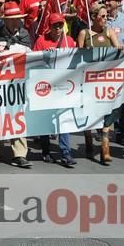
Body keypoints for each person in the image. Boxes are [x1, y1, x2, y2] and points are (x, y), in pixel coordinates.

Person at [0, 2, 32, 168]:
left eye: (17, 18)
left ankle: (19, 153)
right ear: (5, 20)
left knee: (18, 117)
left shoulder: (24, 36)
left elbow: (31, 59)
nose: (15, 21)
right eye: (12, 19)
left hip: (17, 86)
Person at [76, 3, 123, 164]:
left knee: (106, 113)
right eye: (102, 16)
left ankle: (105, 148)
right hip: (89, 81)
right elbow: (78, 56)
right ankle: (88, 141)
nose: (105, 19)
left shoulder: (109, 31)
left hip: (106, 81)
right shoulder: (84, 33)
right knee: (89, 113)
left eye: (106, 16)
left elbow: (117, 48)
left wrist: (120, 48)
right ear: (94, 18)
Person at [33, 13, 77, 167]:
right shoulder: (41, 41)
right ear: (49, 27)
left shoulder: (69, 41)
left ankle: (66, 153)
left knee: (64, 120)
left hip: (64, 86)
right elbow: (34, 61)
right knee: (46, 120)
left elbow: (75, 61)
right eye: (55, 26)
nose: (58, 28)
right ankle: (46, 150)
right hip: (45, 86)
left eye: (60, 25)